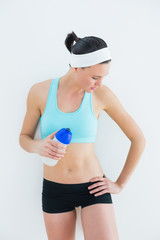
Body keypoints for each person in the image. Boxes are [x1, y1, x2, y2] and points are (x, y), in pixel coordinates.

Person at [19, 31, 146, 240]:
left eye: (104, 77)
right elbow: (24, 137)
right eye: (95, 77)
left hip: (93, 189)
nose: (100, 84)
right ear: (76, 67)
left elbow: (138, 139)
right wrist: (38, 146)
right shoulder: (40, 92)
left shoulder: (101, 95)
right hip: (54, 191)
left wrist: (119, 184)